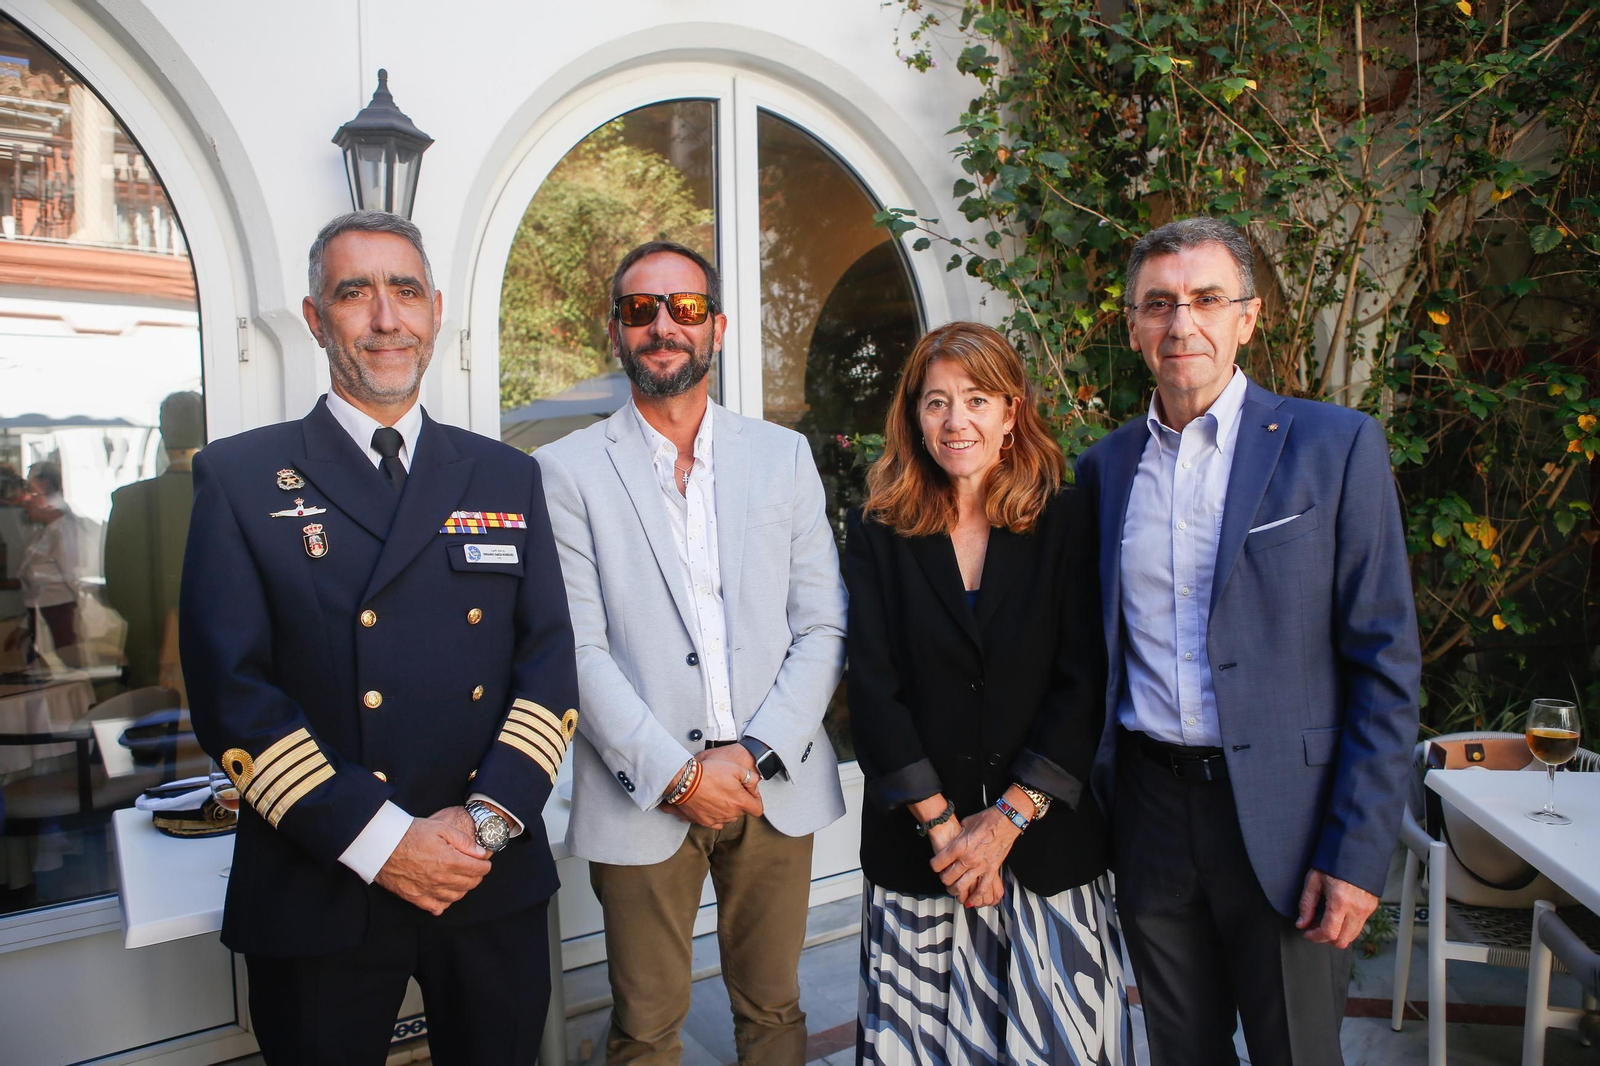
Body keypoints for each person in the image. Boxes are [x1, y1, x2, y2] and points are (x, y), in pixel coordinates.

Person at [179, 210, 579, 1066]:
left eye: (404, 291)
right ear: (316, 318)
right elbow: (233, 696)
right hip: (322, 869)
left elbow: (548, 665)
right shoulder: (245, 477)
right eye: (354, 293)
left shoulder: (505, 473)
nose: (386, 318)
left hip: (485, 868)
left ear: (435, 310)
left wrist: (484, 825)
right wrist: (387, 842)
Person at [1075, 216, 1422, 1066]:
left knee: (1295, 1052)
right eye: (1158, 304)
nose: (1180, 322)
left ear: (1248, 318)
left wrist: (1357, 853)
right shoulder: (1103, 470)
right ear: (1132, 328)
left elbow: (1385, 666)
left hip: (1290, 823)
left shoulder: (1334, 447)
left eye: (1204, 299)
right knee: (1181, 1051)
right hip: (1152, 817)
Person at [536, 240, 847, 1064]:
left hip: (768, 784)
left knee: (776, 1010)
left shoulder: (783, 456)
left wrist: (756, 752)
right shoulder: (562, 473)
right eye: (641, 310)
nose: (662, 326)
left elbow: (822, 623)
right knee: (644, 1027)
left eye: (682, 308)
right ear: (616, 332)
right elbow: (576, 649)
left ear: (716, 326)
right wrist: (677, 776)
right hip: (642, 790)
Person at [847, 321, 1130, 1066]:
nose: (955, 421)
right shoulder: (878, 529)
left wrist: (1003, 824)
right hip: (922, 860)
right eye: (935, 402)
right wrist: (948, 834)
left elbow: (1084, 680)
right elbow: (872, 689)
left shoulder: (1066, 519)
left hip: (1047, 854)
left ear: (1011, 412)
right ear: (913, 416)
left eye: (976, 399)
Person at [104, 390, 204, 697]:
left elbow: (118, 586)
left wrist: (159, 631)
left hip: (147, 645)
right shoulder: (226, 495)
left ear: (163, 432)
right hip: (215, 645)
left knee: (153, 734)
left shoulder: (128, 499)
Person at [13, 461, 80, 665]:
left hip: (56, 600)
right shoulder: (41, 530)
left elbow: (69, 567)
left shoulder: (60, 524)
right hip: (38, 600)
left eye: (33, 495)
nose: (27, 502)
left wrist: (77, 599)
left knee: (65, 650)